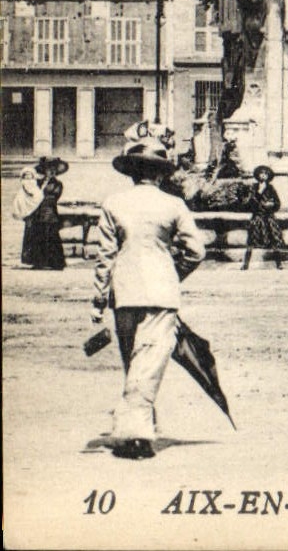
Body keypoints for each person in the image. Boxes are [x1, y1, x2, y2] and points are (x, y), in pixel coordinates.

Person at [91, 130, 206, 460]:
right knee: (150, 361)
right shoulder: (173, 205)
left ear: (132, 171)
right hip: (161, 292)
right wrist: (174, 273)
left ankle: (136, 424)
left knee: (134, 362)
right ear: (159, 172)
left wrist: (99, 299)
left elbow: (105, 257)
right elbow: (196, 251)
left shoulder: (114, 204)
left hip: (124, 291)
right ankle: (137, 435)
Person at [242, 165, 288, 270]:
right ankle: (245, 264)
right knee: (251, 241)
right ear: (257, 175)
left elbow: (278, 203)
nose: (263, 175)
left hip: (268, 217)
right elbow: (248, 203)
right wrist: (255, 199)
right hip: (257, 217)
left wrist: (271, 205)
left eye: (266, 174)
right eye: (261, 173)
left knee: (274, 240)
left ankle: (279, 263)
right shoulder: (253, 187)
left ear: (268, 176)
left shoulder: (271, 188)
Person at [23, 156, 67, 270]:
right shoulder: (37, 183)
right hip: (37, 213)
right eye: (49, 169)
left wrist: (40, 197)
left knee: (51, 237)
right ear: (44, 170)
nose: (52, 171)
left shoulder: (58, 184)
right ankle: (38, 262)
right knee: (38, 236)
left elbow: (53, 197)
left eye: (54, 169)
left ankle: (56, 263)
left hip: (50, 213)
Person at [13, 166, 43, 266]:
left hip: (35, 213)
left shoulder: (35, 187)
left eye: (30, 177)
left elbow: (38, 196)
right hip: (28, 213)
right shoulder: (24, 188)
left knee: (35, 235)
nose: (28, 179)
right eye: (26, 176)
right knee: (29, 235)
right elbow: (23, 197)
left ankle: (34, 257)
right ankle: (27, 258)